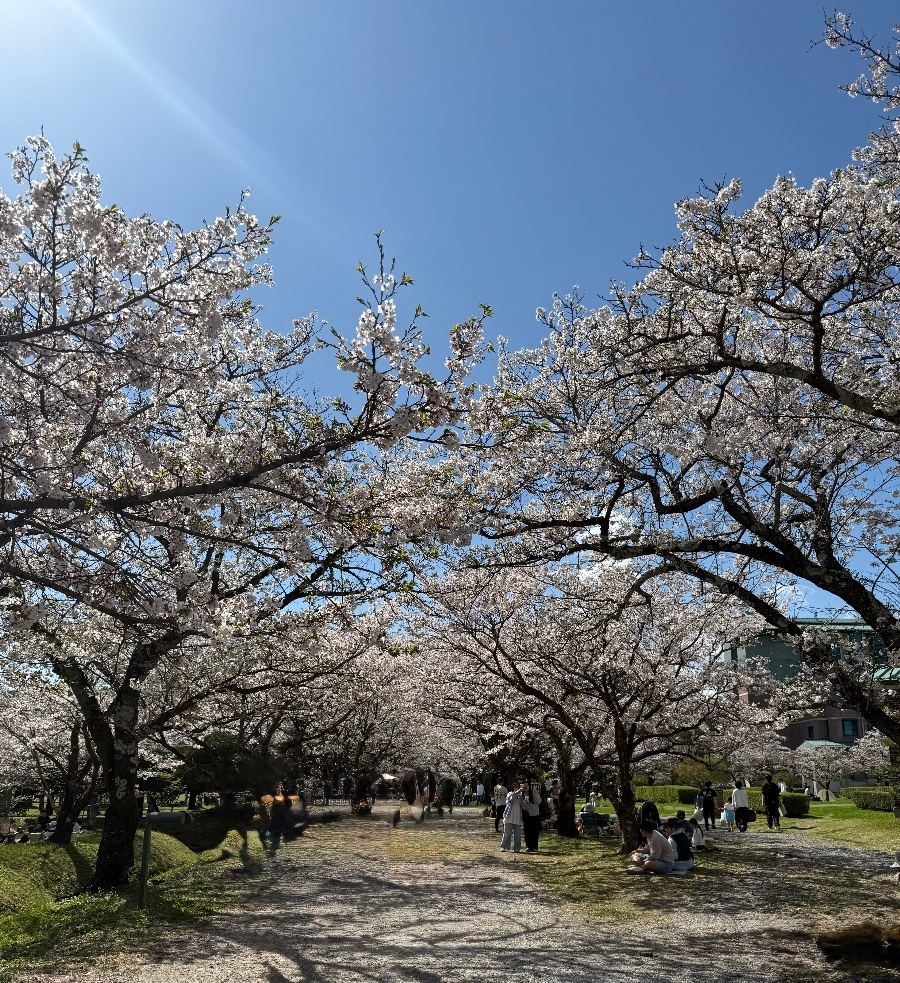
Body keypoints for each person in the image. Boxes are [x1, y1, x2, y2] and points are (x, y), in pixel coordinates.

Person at [500, 781, 526, 853]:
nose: (517, 788)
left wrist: (522, 800)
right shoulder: (510, 794)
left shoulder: (521, 796)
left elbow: (524, 808)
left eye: (518, 787)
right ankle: (504, 846)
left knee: (517, 834)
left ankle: (517, 848)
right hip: (509, 816)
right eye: (515, 787)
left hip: (518, 817)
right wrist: (518, 791)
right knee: (507, 832)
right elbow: (511, 799)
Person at [522, 782, 542, 853]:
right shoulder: (522, 794)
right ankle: (528, 846)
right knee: (527, 832)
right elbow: (522, 806)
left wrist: (534, 793)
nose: (525, 786)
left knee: (535, 832)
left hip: (535, 815)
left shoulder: (533, 793)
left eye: (527, 785)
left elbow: (539, 801)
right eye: (524, 785)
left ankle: (535, 846)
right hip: (527, 816)